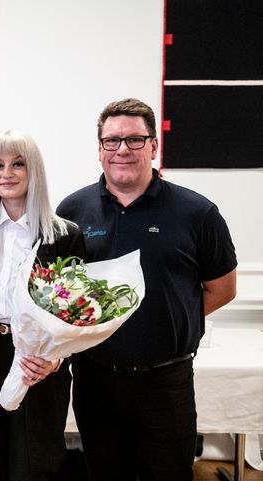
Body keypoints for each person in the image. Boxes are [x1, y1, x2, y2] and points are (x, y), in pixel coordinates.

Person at [57, 98, 237, 481]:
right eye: (112, 141)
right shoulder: (72, 211)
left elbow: (223, 288)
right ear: (100, 148)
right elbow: (60, 292)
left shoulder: (196, 212)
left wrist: (165, 317)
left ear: (154, 146)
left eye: (135, 140)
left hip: (165, 384)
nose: (122, 149)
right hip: (95, 381)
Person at [0, 130, 85, 481]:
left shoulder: (64, 234)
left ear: (33, 170)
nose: (6, 173)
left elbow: (77, 313)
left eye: (17, 164)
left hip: (37, 359)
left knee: (33, 461)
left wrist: (54, 360)